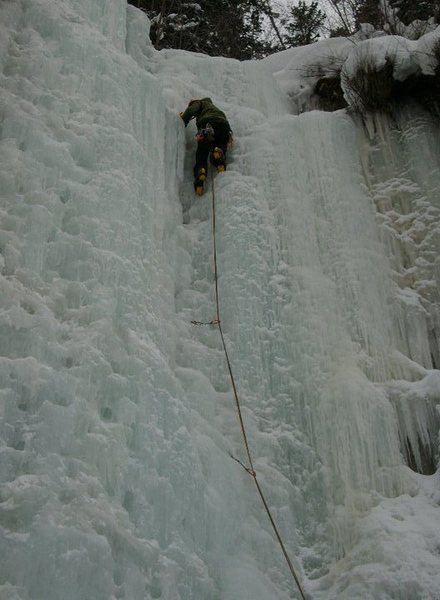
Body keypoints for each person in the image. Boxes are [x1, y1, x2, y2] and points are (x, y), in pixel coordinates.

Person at [180, 97, 232, 195]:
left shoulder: (200, 103)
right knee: (221, 143)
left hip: (208, 124)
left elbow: (192, 110)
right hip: (223, 126)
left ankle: (201, 171)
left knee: (202, 152)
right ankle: (218, 158)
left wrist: (183, 119)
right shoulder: (215, 109)